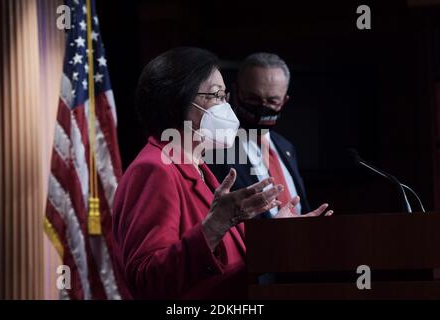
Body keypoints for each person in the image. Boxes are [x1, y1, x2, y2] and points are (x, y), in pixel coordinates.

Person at [112, 47, 290, 300]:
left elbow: (229, 261)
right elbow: (147, 280)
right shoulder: (154, 169)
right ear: (178, 102)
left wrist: (276, 235)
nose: (226, 107)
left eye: (225, 96)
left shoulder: (199, 168)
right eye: (216, 96)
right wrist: (216, 223)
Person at [208, 52, 333, 218]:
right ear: (236, 92)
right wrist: (273, 232)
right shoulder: (213, 147)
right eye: (253, 98)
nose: (262, 107)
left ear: (284, 101)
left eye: (272, 101)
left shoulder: (286, 147)